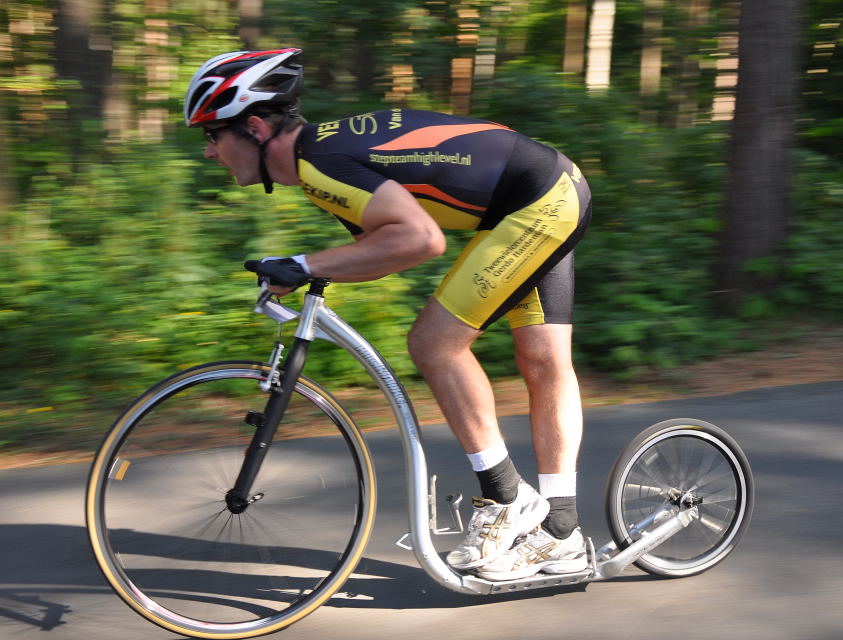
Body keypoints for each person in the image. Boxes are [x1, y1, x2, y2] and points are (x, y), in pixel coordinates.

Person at [184, 48, 592, 581]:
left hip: (538, 200)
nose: (209, 151)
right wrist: (309, 269)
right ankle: (561, 530)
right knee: (541, 358)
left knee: (434, 343)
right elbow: (381, 251)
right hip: (534, 195)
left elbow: (421, 239)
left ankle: (510, 500)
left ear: (255, 128)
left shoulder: (319, 162)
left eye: (212, 135)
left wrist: (306, 264)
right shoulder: (319, 160)